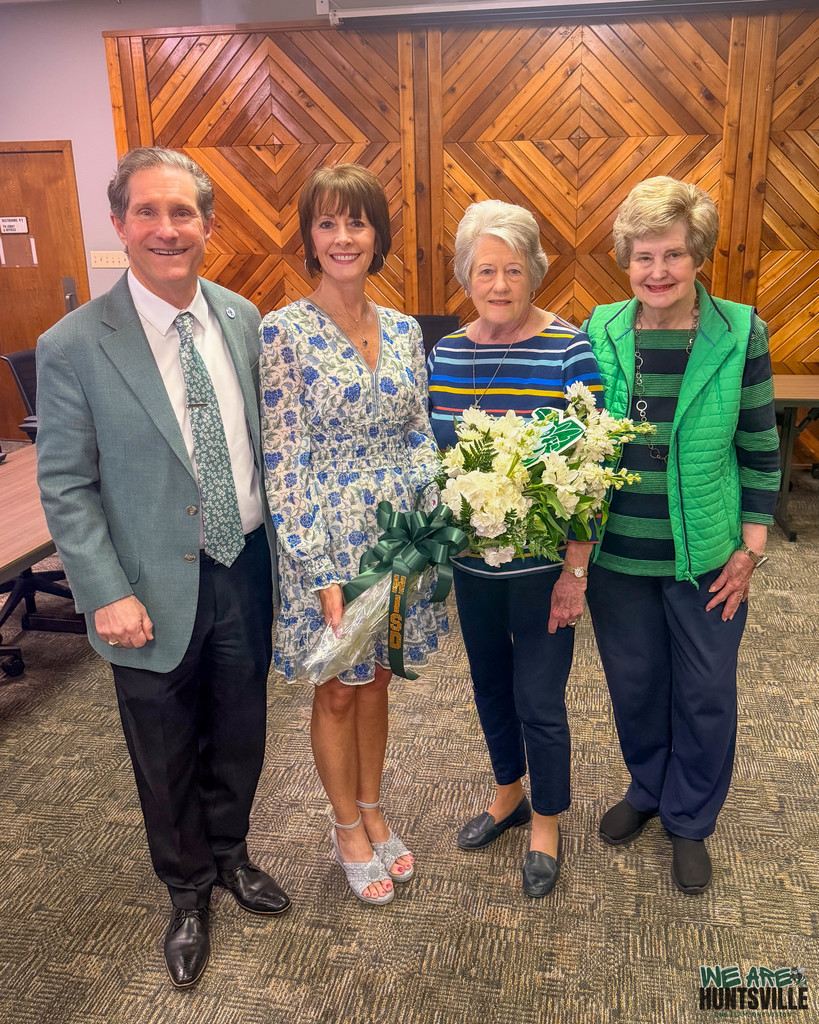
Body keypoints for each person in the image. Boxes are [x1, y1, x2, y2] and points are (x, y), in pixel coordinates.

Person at [36, 147, 290, 989]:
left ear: (209, 227)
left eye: (183, 214)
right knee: (165, 747)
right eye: (147, 212)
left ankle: (231, 853)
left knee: (242, 732)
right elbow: (67, 483)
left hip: (243, 564)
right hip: (142, 587)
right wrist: (102, 592)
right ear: (119, 225)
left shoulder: (243, 317)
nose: (166, 229)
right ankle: (186, 891)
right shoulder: (73, 344)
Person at [583, 176, 780, 894]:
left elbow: (760, 449)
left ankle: (689, 818)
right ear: (625, 261)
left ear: (696, 255)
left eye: (670, 255)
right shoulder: (600, 329)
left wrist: (749, 549)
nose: (656, 272)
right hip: (616, 555)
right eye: (642, 257)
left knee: (703, 692)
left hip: (706, 558)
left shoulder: (738, 330)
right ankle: (648, 787)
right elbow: (575, 438)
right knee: (634, 686)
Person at [259, 164, 446, 906]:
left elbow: (419, 433)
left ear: (378, 236)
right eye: (328, 223)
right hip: (328, 542)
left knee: (378, 685)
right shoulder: (284, 331)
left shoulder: (403, 328)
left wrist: (432, 522)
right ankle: (344, 827)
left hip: (399, 537)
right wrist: (315, 566)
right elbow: (285, 456)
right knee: (337, 691)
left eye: (357, 222)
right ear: (310, 236)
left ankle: (373, 808)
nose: (343, 237)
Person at [426, 200, 603, 897]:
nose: (497, 284)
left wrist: (575, 571)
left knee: (540, 697)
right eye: (483, 270)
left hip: (539, 569)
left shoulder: (567, 349)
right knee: (489, 686)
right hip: (471, 566)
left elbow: (586, 465)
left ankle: (547, 819)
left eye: (512, 269)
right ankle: (507, 792)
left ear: (534, 272)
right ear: (465, 276)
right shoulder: (444, 353)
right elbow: (436, 456)